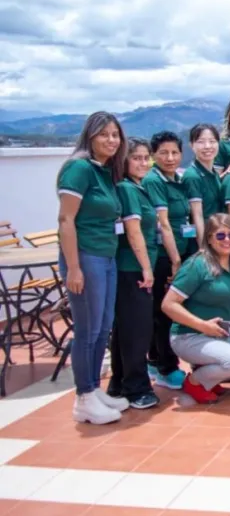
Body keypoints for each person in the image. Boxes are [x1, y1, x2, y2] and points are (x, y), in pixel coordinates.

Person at [56, 112, 129, 424]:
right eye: (104, 134)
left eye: (115, 135)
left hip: (106, 257)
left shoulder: (104, 172)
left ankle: (93, 390)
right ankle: (83, 396)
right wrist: (73, 268)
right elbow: (65, 220)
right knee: (87, 329)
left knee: (102, 327)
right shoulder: (79, 168)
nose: (111, 140)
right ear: (90, 136)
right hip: (85, 258)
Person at [162, 214, 230, 404]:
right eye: (220, 236)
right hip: (189, 335)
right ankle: (194, 382)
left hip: (221, 334)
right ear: (210, 239)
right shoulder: (197, 264)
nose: (227, 240)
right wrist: (202, 325)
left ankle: (209, 379)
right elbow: (168, 304)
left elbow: (226, 300)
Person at [108, 139, 160, 409]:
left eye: (146, 157)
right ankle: (137, 388)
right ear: (124, 161)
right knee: (138, 330)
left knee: (125, 328)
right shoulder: (127, 189)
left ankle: (118, 383)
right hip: (132, 269)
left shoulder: (138, 188)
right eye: (136, 158)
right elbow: (133, 230)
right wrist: (147, 268)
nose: (143, 163)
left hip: (135, 268)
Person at [143, 131, 191, 390]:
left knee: (162, 310)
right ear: (153, 156)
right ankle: (166, 368)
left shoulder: (178, 180)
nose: (170, 158)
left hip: (178, 251)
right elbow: (163, 224)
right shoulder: (154, 181)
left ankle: (154, 359)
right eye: (163, 153)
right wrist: (175, 260)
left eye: (174, 153)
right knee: (164, 312)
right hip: (163, 256)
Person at [183, 123, 224, 248]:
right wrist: (203, 248)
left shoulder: (213, 173)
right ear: (192, 145)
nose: (207, 146)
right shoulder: (192, 175)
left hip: (217, 236)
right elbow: (197, 215)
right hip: (203, 240)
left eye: (212, 141)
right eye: (201, 142)